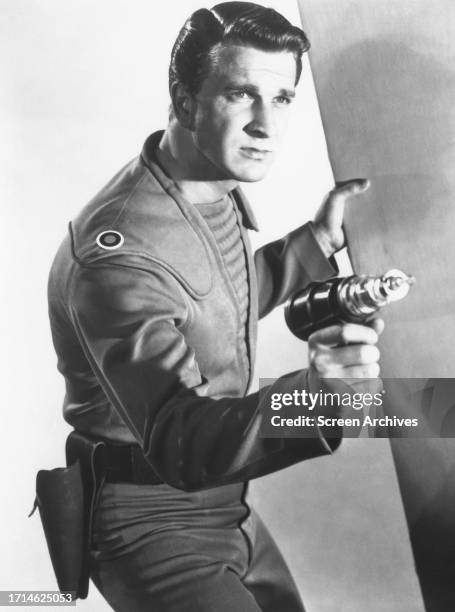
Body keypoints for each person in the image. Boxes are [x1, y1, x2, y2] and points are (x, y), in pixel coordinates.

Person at [47, 2, 382, 610]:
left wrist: (318, 244)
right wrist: (316, 397)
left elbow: (207, 302)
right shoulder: (118, 257)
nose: (265, 125)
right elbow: (179, 441)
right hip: (149, 520)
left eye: (281, 99)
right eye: (240, 94)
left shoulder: (200, 183)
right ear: (183, 99)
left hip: (227, 499)